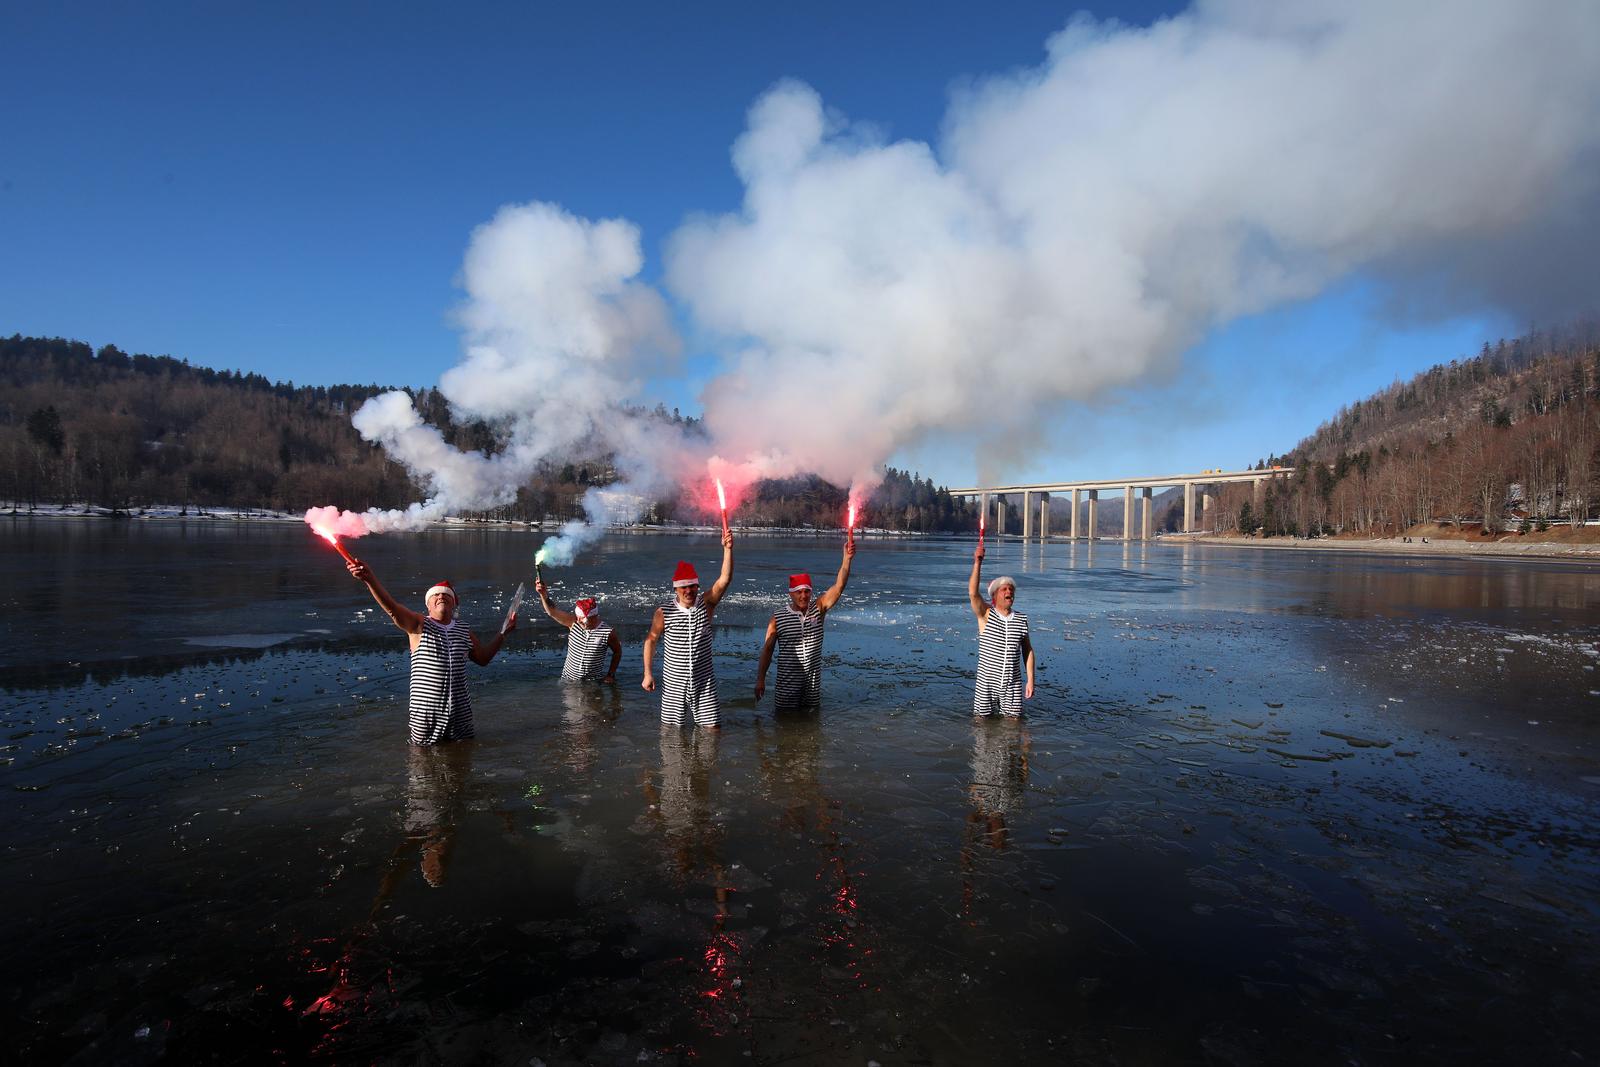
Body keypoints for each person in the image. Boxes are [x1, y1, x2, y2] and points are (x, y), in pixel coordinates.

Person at [346, 559, 514, 744]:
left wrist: (503, 633)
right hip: (426, 711)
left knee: (463, 756)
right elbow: (392, 609)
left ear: (454, 604)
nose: (441, 596)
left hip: (460, 710)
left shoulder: (464, 629)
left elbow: (483, 659)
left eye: (446, 595)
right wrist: (369, 579)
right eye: (435, 595)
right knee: (422, 760)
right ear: (428, 605)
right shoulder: (419, 624)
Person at [642, 528, 734, 727]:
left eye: (692, 585)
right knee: (671, 734)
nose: (688, 590)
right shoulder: (664, 611)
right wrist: (648, 673)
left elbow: (724, 580)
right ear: (675, 588)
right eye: (683, 586)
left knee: (712, 731)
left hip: (704, 681)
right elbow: (651, 639)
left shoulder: (706, 603)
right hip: (674, 684)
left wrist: (727, 549)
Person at [754, 538, 856, 711]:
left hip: (812, 686)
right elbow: (767, 650)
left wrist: (846, 559)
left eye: (807, 591)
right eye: (799, 592)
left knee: (811, 724)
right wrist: (761, 679)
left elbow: (839, 587)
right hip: (787, 686)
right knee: (784, 725)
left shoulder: (818, 608)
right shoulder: (778, 618)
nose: (803, 596)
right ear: (791, 594)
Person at [967, 544, 1036, 716]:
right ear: (994, 595)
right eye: (1004, 589)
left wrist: (1031, 680)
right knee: (981, 724)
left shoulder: (1021, 619)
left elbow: (1027, 650)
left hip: (1012, 684)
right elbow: (973, 593)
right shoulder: (986, 614)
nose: (1009, 592)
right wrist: (977, 562)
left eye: (1011, 589)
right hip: (987, 683)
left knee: (1014, 726)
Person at [534, 580, 622, 684]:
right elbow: (552, 611)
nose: (579, 621)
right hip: (568, 681)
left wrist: (610, 675)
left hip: (592, 683)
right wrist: (543, 595)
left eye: (583, 619)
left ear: (594, 617)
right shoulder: (574, 623)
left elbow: (617, 652)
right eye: (578, 618)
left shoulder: (607, 633)